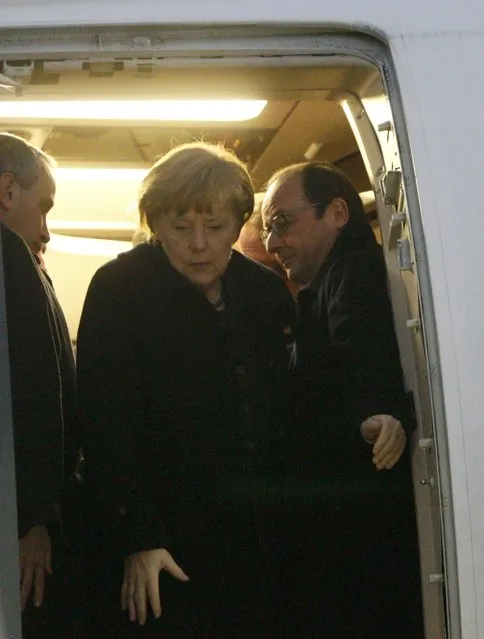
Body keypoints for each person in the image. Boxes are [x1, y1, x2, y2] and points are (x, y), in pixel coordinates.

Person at [77, 142, 295, 638]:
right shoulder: (118, 288)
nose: (199, 244)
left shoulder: (263, 292)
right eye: (181, 228)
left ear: (240, 225)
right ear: (155, 225)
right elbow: (104, 422)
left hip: (255, 548)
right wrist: (138, 536)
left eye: (215, 228)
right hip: (163, 546)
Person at [261, 161, 424, 638]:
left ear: (336, 213)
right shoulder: (335, 279)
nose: (272, 244)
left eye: (281, 223)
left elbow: (362, 355)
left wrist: (375, 414)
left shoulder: (354, 273)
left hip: (355, 543)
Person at [0, 132, 85, 638]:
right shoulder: (10, 257)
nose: (47, 231)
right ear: (7, 192)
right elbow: (34, 396)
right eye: (44, 207)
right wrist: (35, 519)